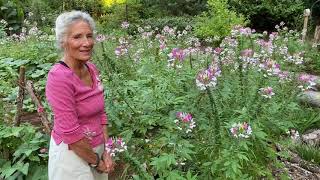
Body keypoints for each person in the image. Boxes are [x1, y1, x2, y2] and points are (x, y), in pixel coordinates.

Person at [46, 10, 114, 180]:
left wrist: (107, 150)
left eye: (89, 36)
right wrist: (96, 162)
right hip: (71, 157)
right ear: (63, 41)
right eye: (77, 37)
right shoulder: (59, 77)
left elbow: (101, 114)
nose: (87, 43)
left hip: (96, 151)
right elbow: (71, 134)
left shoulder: (91, 69)